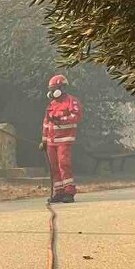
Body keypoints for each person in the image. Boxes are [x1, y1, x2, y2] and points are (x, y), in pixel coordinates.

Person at [39, 74, 83, 203]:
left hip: (64, 139)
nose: (52, 92)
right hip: (51, 142)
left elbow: (77, 116)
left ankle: (69, 192)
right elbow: (46, 123)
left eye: (54, 89)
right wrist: (44, 139)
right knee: (53, 167)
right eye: (51, 89)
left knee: (64, 164)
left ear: (62, 88)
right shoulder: (51, 104)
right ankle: (59, 192)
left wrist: (61, 119)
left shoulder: (71, 101)